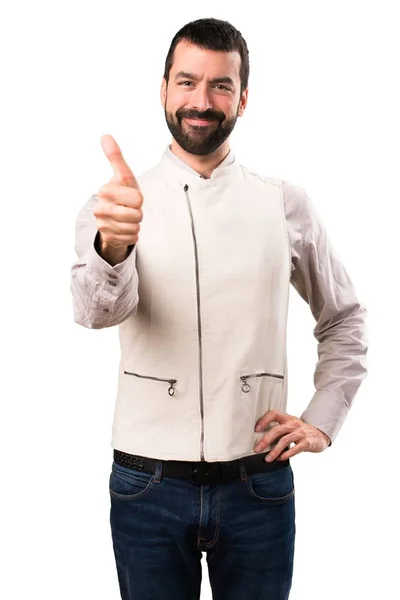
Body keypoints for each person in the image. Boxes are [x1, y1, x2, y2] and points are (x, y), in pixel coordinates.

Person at [70, 17, 368, 600]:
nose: (201, 102)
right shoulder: (117, 204)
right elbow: (93, 314)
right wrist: (115, 245)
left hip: (256, 484)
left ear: (243, 97)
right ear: (163, 90)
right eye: (186, 83)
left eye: (220, 85)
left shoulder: (284, 202)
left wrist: (323, 421)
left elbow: (344, 317)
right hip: (145, 483)